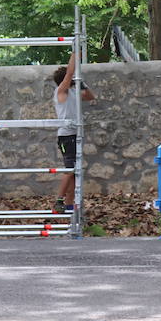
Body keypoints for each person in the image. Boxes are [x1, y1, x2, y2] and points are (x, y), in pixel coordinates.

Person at [52, 52, 95, 213]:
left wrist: (82, 84)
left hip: (75, 135)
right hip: (66, 136)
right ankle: (58, 201)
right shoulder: (60, 92)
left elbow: (90, 96)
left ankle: (70, 205)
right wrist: (75, 53)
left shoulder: (73, 94)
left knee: (75, 173)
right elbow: (69, 73)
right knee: (70, 170)